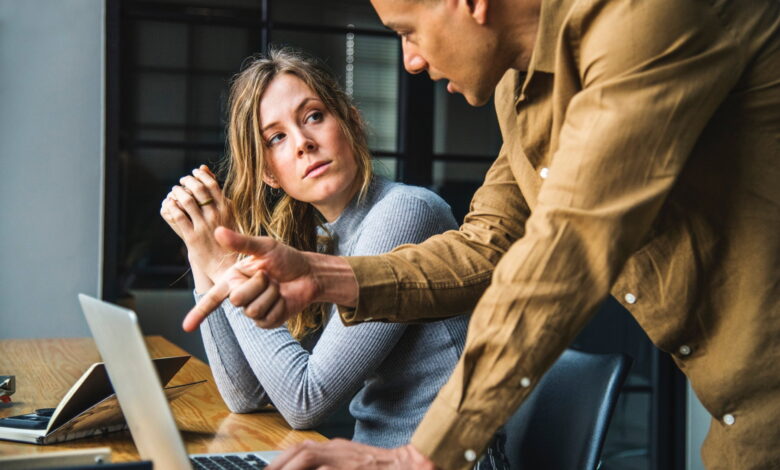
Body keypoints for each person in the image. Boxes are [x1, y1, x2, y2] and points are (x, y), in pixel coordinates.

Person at [186, 0, 780, 469]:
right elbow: (485, 247)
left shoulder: (642, 19)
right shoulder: (517, 90)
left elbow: (567, 249)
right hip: (740, 415)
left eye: (407, 30)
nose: (410, 61)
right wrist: (319, 276)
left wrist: (425, 456)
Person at [160, 48, 506, 468]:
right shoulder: (323, 240)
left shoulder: (406, 212)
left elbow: (305, 400)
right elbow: (245, 396)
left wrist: (224, 267)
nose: (303, 143)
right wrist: (204, 250)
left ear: (352, 122)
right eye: (277, 137)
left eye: (313, 116)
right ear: (269, 172)